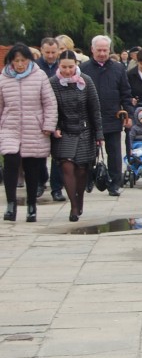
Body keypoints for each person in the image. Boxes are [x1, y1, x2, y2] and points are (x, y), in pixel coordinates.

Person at [1, 44, 58, 222]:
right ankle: (11, 204)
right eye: (16, 61)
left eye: (23, 61)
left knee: (32, 167)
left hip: (34, 128)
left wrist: (48, 125)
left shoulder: (39, 76)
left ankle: (32, 205)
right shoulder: (3, 78)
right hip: (10, 127)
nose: (19, 64)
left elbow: (50, 103)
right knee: (10, 162)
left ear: (29, 60)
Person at [48, 50, 104, 221]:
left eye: (70, 67)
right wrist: (54, 127)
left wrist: (99, 134)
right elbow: (50, 108)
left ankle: (79, 199)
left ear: (76, 65)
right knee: (66, 167)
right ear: (59, 66)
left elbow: (95, 109)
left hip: (85, 131)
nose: (67, 71)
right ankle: (73, 206)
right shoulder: (52, 83)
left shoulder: (86, 81)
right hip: (64, 131)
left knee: (81, 170)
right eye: (64, 67)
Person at [80, 35, 133, 197]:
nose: (102, 53)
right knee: (88, 152)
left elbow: (126, 93)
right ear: (92, 50)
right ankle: (88, 180)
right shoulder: (83, 69)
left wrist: (129, 114)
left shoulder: (118, 68)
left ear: (109, 50)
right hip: (89, 119)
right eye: (99, 50)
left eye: (105, 50)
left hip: (112, 116)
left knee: (114, 152)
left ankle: (114, 183)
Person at [36, 38, 65, 201]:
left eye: (53, 52)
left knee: (58, 154)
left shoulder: (63, 65)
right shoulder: (34, 66)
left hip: (60, 113)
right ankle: (40, 181)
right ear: (41, 50)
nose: (50, 55)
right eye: (47, 52)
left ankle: (57, 188)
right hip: (39, 113)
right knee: (39, 153)